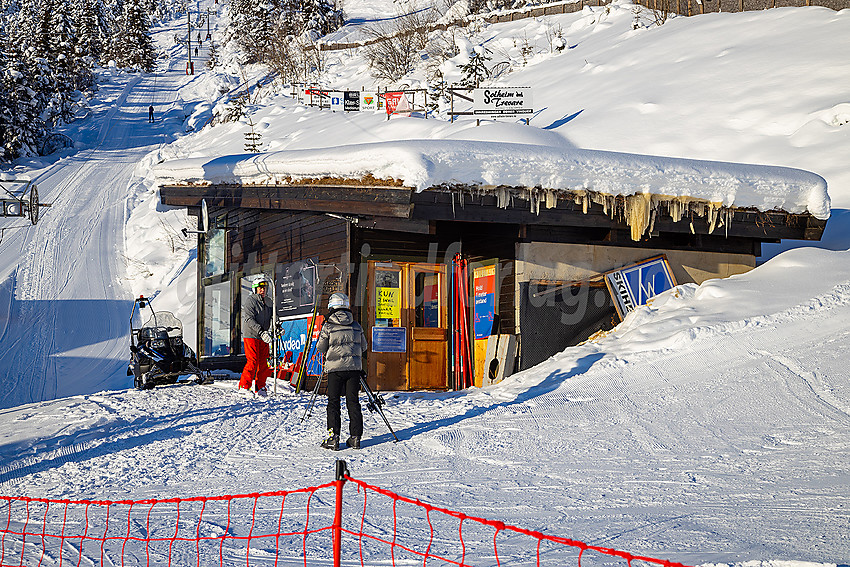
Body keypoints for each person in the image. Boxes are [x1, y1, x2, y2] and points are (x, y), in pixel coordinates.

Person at [316, 292, 367, 450]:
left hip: (335, 370)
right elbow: (364, 346)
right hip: (353, 369)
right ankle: (355, 437)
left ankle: (333, 437)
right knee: (353, 402)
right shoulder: (356, 325)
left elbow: (320, 347)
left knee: (333, 403)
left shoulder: (328, 325)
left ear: (332, 306)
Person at [240, 276, 273, 395]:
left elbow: (274, 315)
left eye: (264, 288)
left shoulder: (269, 301)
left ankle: (260, 387)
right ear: (255, 289)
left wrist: (278, 325)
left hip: (263, 335)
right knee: (252, 361)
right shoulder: (251, 300)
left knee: (264, 362)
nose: (263, 290)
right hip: (252, 335)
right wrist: (261, 331)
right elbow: (249, 319)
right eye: (260, 288)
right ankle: (244, 386)